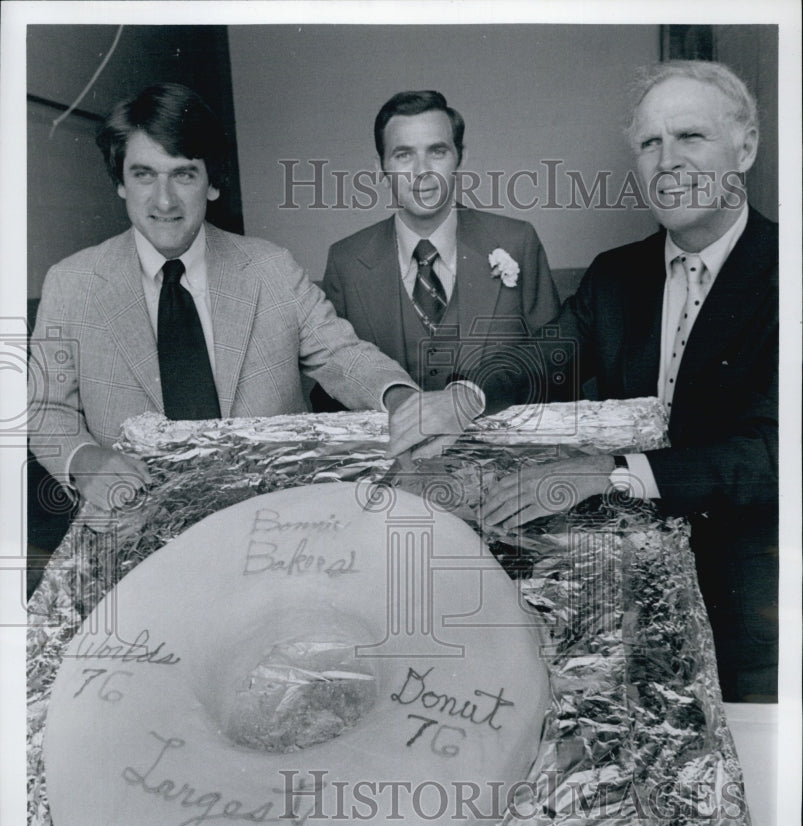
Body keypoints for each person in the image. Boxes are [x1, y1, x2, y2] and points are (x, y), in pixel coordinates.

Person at [28, 83, 477, 512]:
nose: (163, 201)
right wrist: (83, 460)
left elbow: (344, 355)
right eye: (144, 175)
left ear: (213, 183)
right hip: (134, 530)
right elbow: (43, 408)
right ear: (121, 183)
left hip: (274, 524)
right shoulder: (71, 284)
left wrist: (403, 400)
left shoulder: (271, 268)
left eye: (184, 174)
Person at [479, 61, 778, 702]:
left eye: (690, 137)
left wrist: (611, 470)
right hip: (628, 602)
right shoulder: (616, 276)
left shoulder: (792, 272)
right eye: (649, 143)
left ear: (746, 146)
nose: (667, 161)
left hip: (753, 616)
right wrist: (463, 397)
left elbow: (771, 457)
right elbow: (544, 359)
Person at [311, 90, 560, 410]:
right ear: (381, 166)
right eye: (403, 155)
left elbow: (555, 370)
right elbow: (332, 390)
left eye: (437, 151)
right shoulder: (346, 261)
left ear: (460, 156)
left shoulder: (517, 242)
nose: (422, 170)